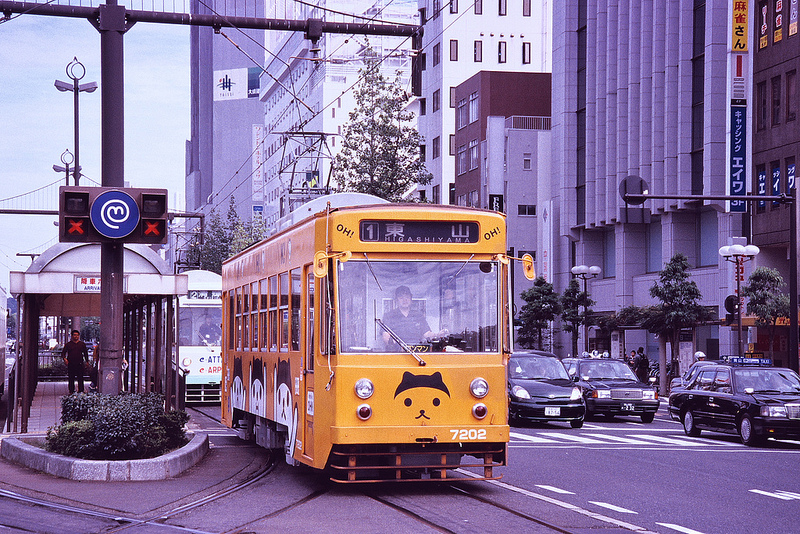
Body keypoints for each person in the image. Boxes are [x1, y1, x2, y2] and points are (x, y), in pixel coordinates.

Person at [62, 330, 90, 394]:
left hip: (80, 364)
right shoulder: (68, 344)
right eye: (74, 335)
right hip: (71, 364)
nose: (76, 336)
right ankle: (71, 391)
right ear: (71, 336)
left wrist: (87, 361)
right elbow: (63, 353)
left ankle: (81, 391)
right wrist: (65, 359)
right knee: (71, 378)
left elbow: (85, 353)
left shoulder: (82, 344)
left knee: (80, 378)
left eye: (77, 335)